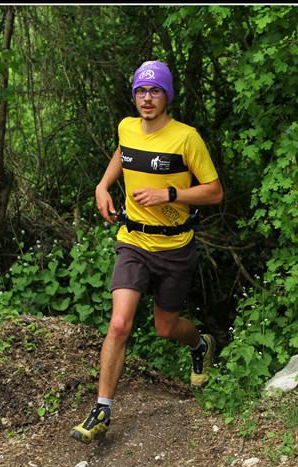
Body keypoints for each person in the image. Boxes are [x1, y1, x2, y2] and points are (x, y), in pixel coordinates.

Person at [70, 61, 223, 444]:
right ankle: (102, 409)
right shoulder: (127, 127)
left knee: (165, 327)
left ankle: (201, 345)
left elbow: (214, 191)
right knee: (119, 324)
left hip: (175, 247)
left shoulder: (186, 138)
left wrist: (169, 194)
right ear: (134, 96)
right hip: (134, 241)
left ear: (166, 96)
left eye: (155, 91)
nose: (147, 98)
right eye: (141, 91)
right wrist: (102, 186)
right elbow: (123, 153)